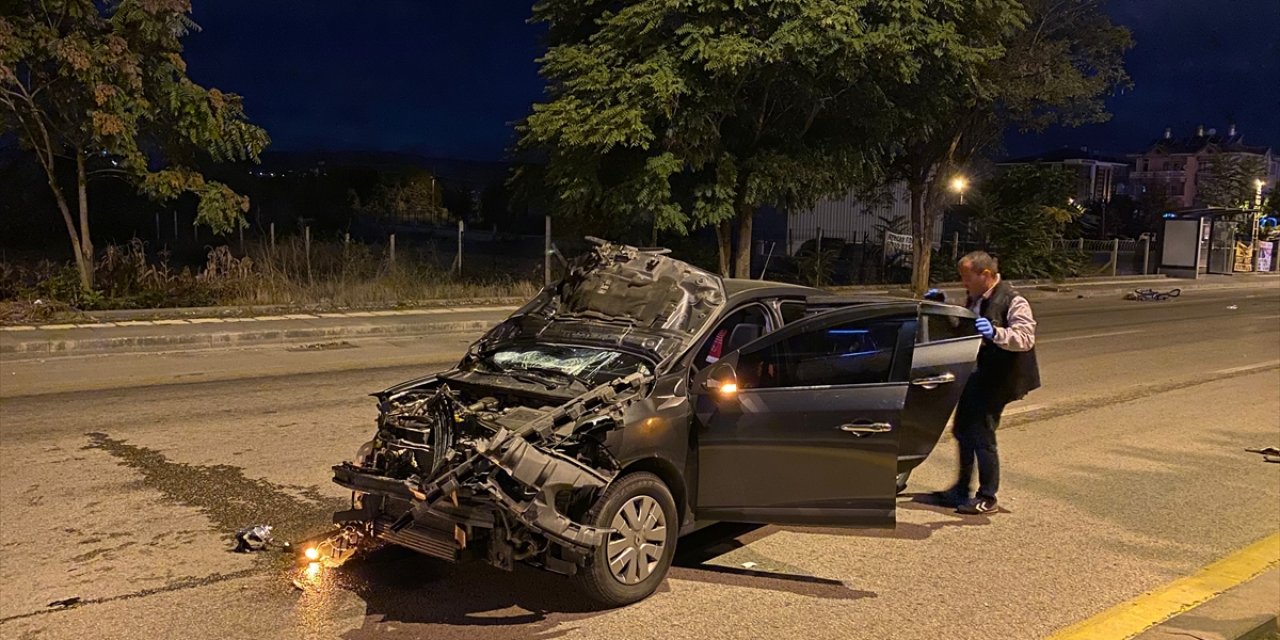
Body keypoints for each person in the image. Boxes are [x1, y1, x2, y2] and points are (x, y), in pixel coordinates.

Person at [933, 251, 1040, 515]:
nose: (963, 283)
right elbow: (963, 331)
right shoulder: (976, 299)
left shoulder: (1013, 300)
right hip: (977, 375)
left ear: (987, 275)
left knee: (982, 434)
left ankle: (987, 496)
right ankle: (961, 489)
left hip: (1000, 378)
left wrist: (997, 333)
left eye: (967, 278)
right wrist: (942, 309)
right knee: (962, 430)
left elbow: (1025, 338)